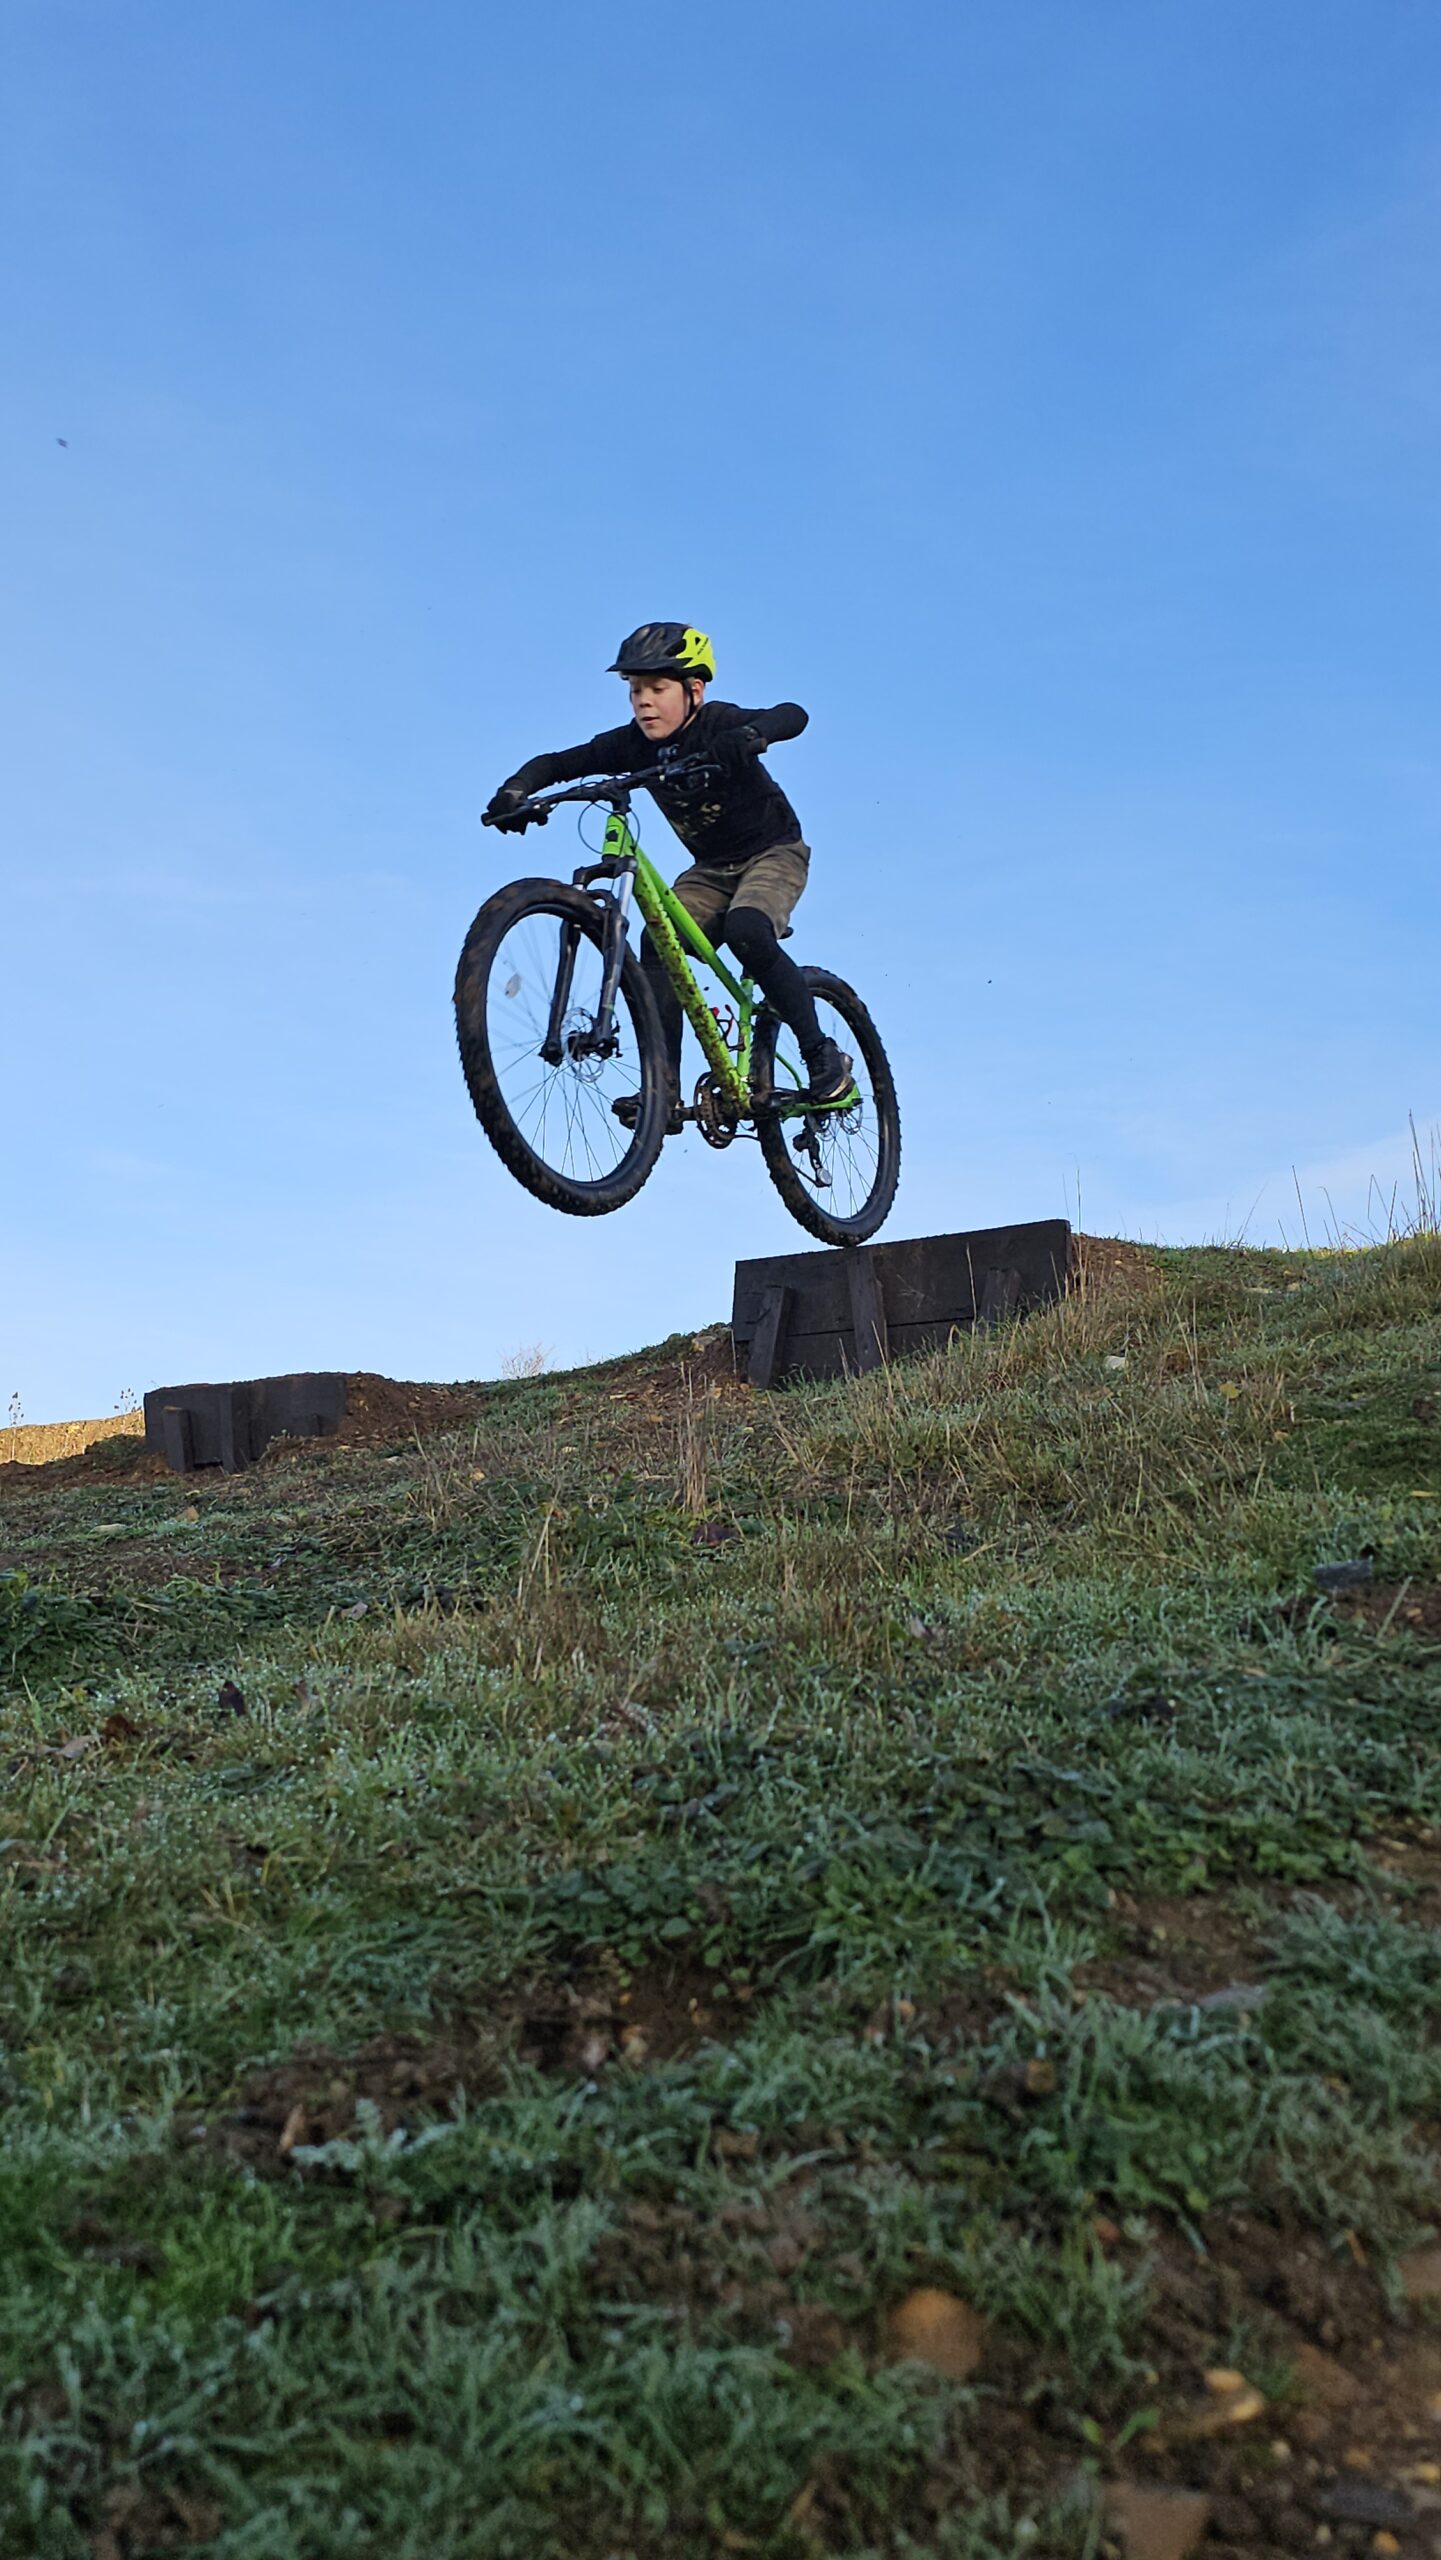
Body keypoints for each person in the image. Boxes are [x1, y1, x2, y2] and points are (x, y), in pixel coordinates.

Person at [485, 623, 854, 1132]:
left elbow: (793, 714)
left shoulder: (717, 722)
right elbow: (561, 762)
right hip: (709, 871)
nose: (644, 701)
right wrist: (516, 790)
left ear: (694, 690)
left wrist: (751, 736)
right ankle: (663, 1087)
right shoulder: (633, 744)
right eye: (635, 690)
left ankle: (821, 1054)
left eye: (658, 688)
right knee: (657, 942)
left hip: (773, 853)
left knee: (748, 929)